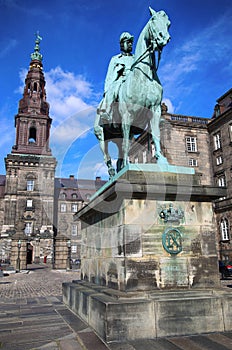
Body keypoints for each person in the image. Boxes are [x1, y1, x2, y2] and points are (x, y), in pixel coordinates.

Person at [97, 32, 134, 123]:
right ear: (122, 44)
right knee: (115, 88)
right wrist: (107, 90)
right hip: (121, 80)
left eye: (131, 42)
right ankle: (107, 112)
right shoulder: (115, 59)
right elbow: (109, 76)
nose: (130, 44)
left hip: (134, 81)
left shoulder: (136, 58)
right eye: (127, 42)